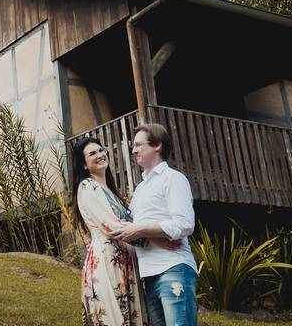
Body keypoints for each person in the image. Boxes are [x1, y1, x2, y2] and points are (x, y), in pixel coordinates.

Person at [107, 123, 198, 326]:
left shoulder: (173, 178)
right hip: (148, 274)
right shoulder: (140, 189)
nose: (134, 150)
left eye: (139, 145)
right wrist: (151, 235)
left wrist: (141, 229)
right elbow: (133, 229)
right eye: (133, 146)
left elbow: (185, 224)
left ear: (157, 145)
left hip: (173, 268)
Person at [70, 136, 149, 326]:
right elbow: (110, 226)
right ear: (84, 165)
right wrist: (151, 238)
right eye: (92, 153)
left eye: (100, 150)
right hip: (108, 260)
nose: (99, 155)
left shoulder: (111, 191)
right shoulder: (88, 186)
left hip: (125, 259)